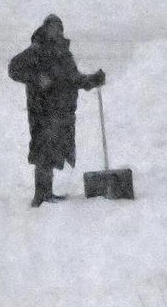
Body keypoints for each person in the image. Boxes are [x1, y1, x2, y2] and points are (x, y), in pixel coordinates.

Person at [8, 14, 105, 207]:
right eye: (53, 27)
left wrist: (93, 80)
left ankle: (47, 192)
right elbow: (14, 69)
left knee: (54, 150)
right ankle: (41, 195)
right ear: (45, 29)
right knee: (43, 150)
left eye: (59, 28)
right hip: (43, 111)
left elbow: (73, 78)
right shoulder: (37, 50)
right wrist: (36, 78)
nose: (57, 31)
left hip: (61, 112)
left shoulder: (63, 53)